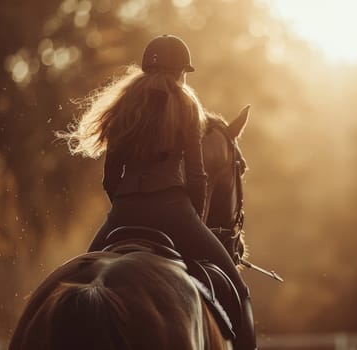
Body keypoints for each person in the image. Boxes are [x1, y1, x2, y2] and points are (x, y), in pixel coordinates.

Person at [57, 34, 256, 350]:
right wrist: (192, 214)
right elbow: (196, 175)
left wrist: (125, 203)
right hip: (173, 211)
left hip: (123, 212)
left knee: (77, 276)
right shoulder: (187, 105)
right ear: (181, 72)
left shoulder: (125, 104)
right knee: (238, 288)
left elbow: (111, 177)